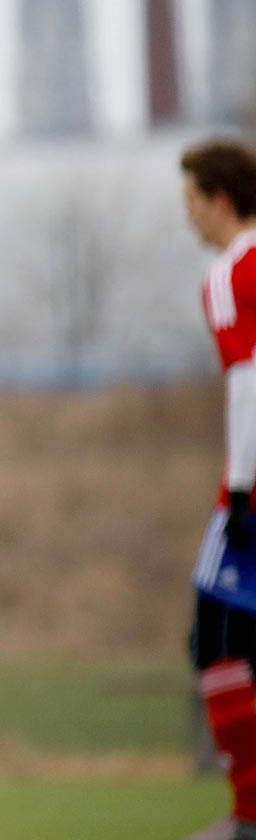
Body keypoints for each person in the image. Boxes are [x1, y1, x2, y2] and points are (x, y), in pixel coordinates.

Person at [181, 139, 256, 840]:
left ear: (221, 198)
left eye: (192, 202)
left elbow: (249, 380)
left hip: (250, 490)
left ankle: (248, 811)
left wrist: (238, 490)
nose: (189, 218)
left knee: (216, 638)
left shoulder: (235, 271)